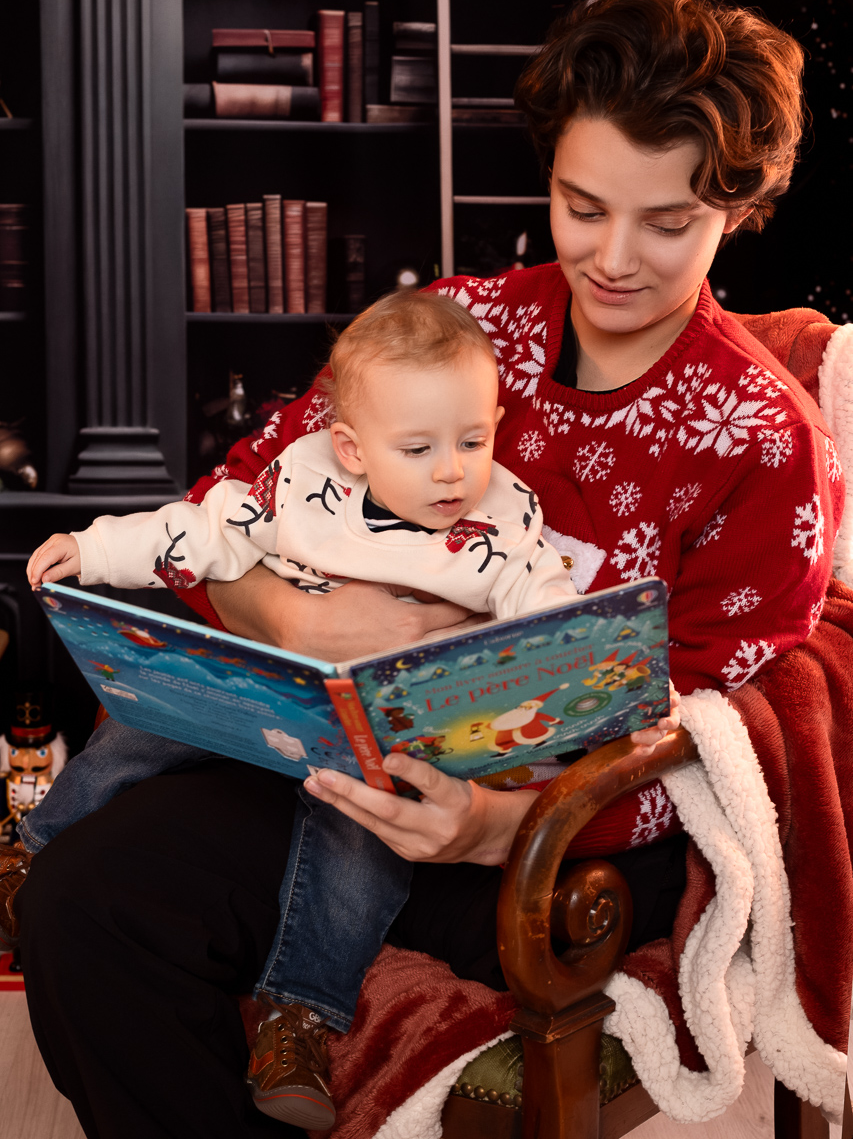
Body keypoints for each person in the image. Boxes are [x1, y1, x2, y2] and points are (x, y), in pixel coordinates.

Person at [14, 0, 844, 1139]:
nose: (611, 258)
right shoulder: (458, 326)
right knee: (81, 901)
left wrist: (497, 826)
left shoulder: (762, 436)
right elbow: (239, 499)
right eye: (579, 203)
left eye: (666, 222)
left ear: (736, 206)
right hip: (343, 774)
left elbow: (710, 731)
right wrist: (291, 620)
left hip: (561, 841)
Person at [14, 290, 598, 1130]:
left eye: (474, 439)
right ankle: (35, 846)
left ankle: (299, 1018)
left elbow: (546, 617)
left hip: (391, 748)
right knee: (150, 718)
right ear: (352, 450)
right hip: (282, 693)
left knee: (355, 839)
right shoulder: (303, 482)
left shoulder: (502, 523)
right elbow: (205, 531)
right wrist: (94, 549)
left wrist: (585, 684)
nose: (450, 470)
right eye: (419, 447)